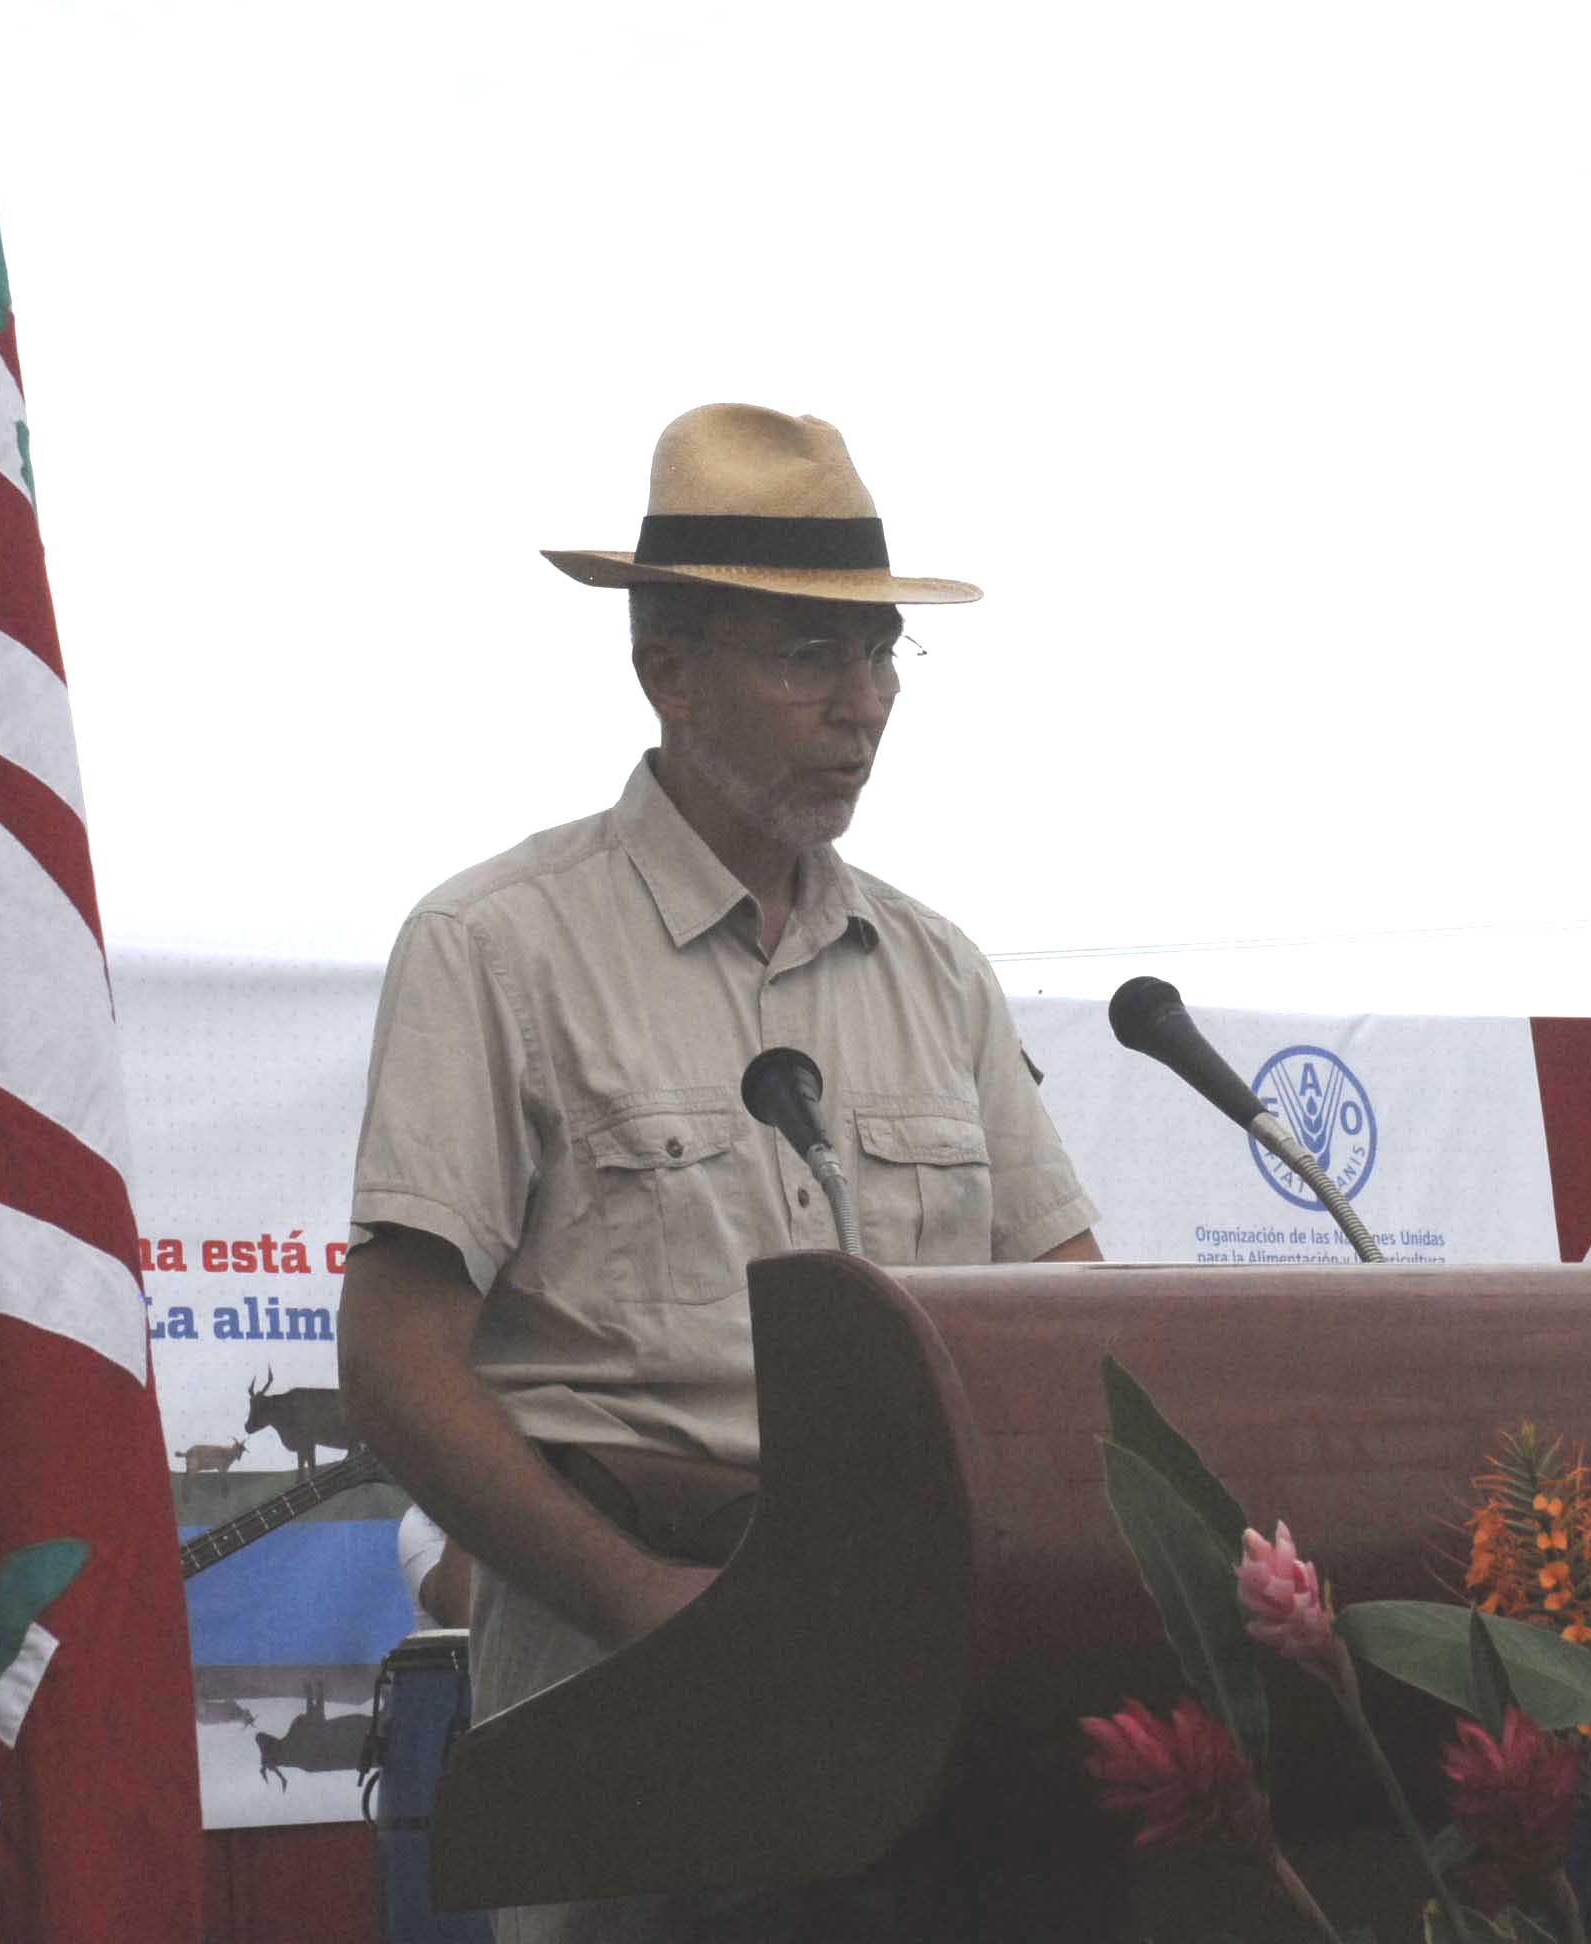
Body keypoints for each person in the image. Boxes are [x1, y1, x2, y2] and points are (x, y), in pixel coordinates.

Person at [338, 403, 1101, 1941]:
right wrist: (634, 1599)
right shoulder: (499, 949)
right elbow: (396, 1365)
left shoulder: (937, 968)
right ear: (665, 670)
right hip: (636, 1716)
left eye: (884, 655)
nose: (865, 706)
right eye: (809, 657)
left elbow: (1065, 1323)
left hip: (925, 1709)